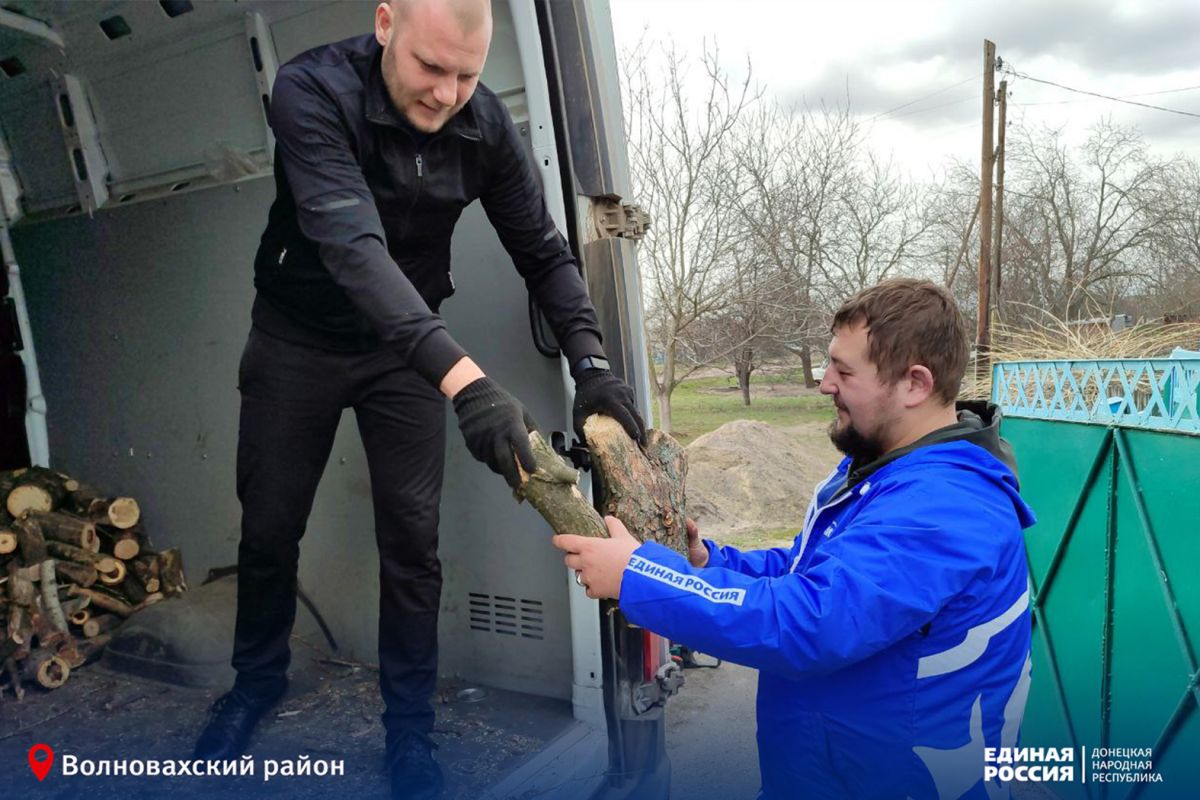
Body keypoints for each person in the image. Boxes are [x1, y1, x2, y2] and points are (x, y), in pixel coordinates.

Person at [192, 1, 644, 798]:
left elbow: (543, 252)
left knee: (412, 545)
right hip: (296, 338)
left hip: (403, 356)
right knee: (268, 529)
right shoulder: (310, 91)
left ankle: (410, 733)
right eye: (430, 68)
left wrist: (593, 362)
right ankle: (255, 683)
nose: (446, 93)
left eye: (467, 75)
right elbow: (353, 249)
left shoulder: (484, 127)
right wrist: (468, 384)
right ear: (384, 23)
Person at [555, 279, 1036, 799]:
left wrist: (636, 576)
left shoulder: (944, 508)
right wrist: (708, 560)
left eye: (844, 371)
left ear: (915, 384)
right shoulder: (886, 469)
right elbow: (810, 569)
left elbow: (808, 621)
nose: (824, 382)